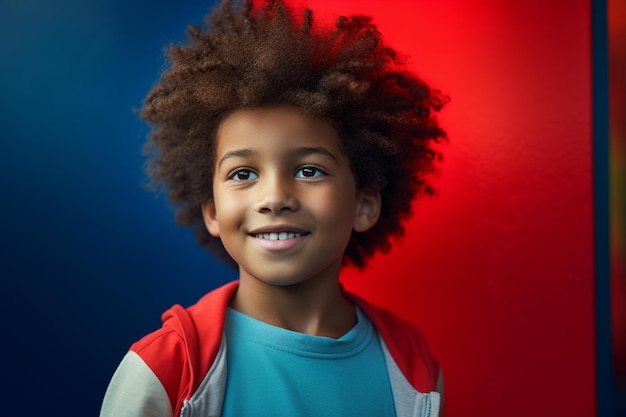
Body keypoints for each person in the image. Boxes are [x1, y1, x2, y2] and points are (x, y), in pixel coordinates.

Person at [100, 0, 448, 416]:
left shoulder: (414, 369)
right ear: (212, 211)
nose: (274, 197)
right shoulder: (164, 372)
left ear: (365, 203)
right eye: (243, 174)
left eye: (309, 170)